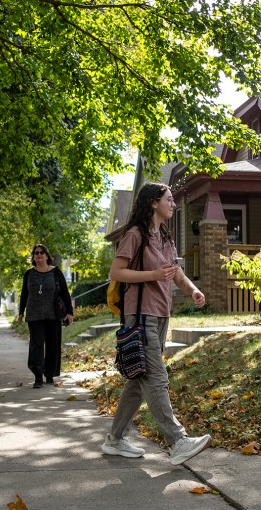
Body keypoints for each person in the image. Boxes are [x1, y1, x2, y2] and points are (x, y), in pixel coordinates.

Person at [100, 182, 211, 466]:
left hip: (161, 315)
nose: (173, 204)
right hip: (139, 316)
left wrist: (193, 290)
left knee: (138, 381)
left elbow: (175, 274)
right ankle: (177, 442)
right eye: (169, 200)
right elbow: (117, 272)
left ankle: (114, 439)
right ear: (153, 203)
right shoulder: (135, 235)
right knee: (156, 378)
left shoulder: (165, 238)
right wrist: (151, 274)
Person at [16, 244, 74, 388]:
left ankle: (49, 374)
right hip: (34, 315)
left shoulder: (56, 272)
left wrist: (70, 313)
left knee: (52, 345)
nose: (39, 255)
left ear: (47, 256)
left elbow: (65, 293)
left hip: (53, 315)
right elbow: (24, 294)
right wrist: (20, 313)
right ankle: (37, 376)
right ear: (33, 257)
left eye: (42, 253)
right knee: (36, 345)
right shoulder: (29, 274)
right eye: (36, 253)